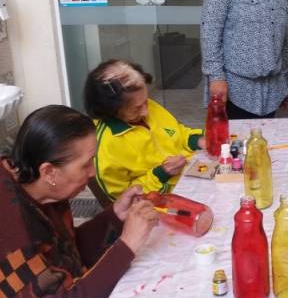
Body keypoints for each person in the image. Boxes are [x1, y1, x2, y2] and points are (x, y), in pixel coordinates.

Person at [0, 105, 159, 298]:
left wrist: (116, 216)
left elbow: (67, 254)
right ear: (49, 171)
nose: (92, 173)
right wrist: (128, 244)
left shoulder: (32, 182)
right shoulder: (3, 222)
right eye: (86, 165)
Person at [84, 59, 204, 201]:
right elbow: (122, 201)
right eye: (136, 108)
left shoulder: (141, 103)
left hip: (191, 175)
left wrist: (196, 140)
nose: (146, 111)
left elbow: (176, 131)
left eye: (146, 101)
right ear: (111, 110)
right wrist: (162, 173)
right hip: (161, 202)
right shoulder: (105, 147)